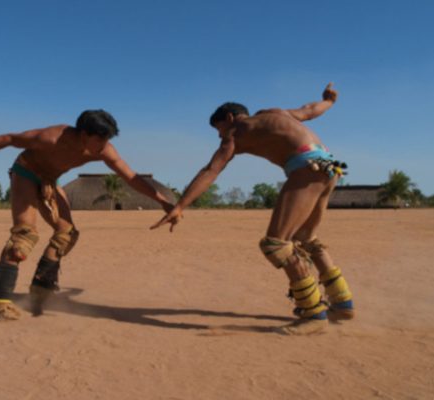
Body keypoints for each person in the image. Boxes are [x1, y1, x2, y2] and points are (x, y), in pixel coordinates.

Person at [151, 84, 354, 334]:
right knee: (306, 238)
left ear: (229, 118)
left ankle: (313, 314)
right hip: (330, 166)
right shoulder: (276, 112)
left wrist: (180, 205)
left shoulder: (235, 132)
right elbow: (310, 110)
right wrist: (330, 102)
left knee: (275, 244)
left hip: (305, 167)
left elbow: (211, 170)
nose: (220, 136)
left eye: (219, 129)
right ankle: (343, 303)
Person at [0, 110, 174, 320]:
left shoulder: (104, 151)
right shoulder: (49, 137)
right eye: (100, 140)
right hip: (25, 173)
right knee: (24, 237)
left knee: (66, 234)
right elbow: (9, 138)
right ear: (84, 134)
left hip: (50, 180)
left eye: (107, 140)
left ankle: (40, 290)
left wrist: (163, 201)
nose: (104, 146)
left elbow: (131, 177)